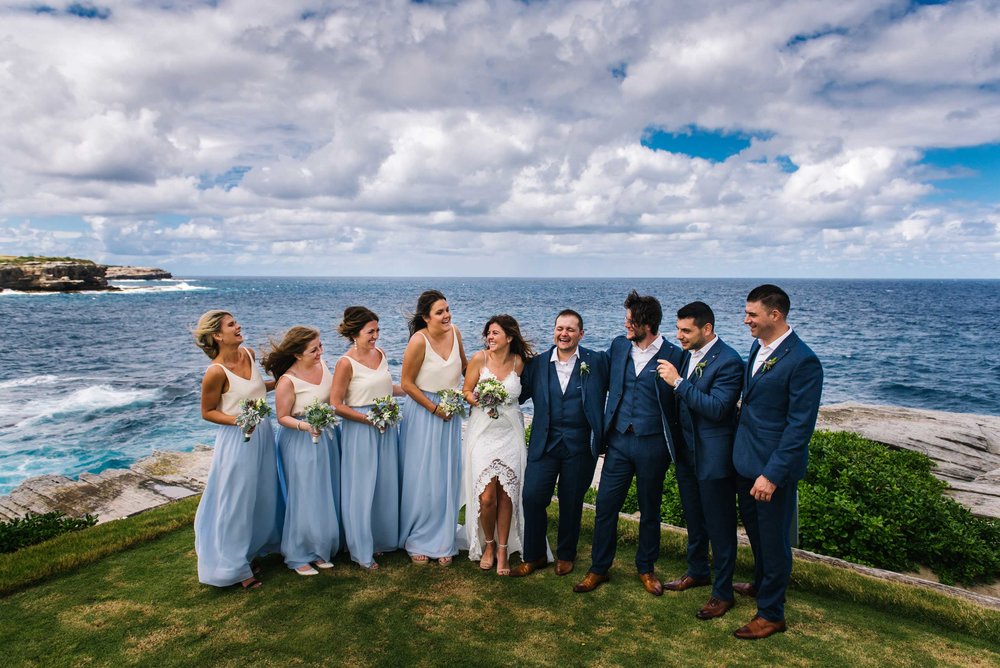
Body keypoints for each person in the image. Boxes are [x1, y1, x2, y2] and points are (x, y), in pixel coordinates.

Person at [574, 290, 685, 596]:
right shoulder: (620, 347)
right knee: (606, 506)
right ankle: (598, 568)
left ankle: (646, 568)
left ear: (646, 324)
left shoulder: (675, 356)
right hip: (620, 441)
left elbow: (682, 401)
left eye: (629, 322)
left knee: (650, 510)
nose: (625, 326)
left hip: (653, 445)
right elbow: (599, 371)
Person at [731, 284, 823, 640]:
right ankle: (759, 583)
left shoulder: (803, 361)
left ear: (775, 315)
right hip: (745, 462)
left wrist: (771, 474)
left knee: (773, 540)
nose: (746, 320)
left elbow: (799, 427)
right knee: (755, 534)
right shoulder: (759, 347)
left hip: (771, 470)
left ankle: (772, 613)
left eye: (752, 314)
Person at [656, 301, 744, 620]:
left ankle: (722, 593)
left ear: (706, 329)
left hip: (714, 457)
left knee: (719, 527)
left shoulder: (730, 361)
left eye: (686, 331)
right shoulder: (686, 354)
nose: (679, 336)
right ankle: (697, 571)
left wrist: (679, 383)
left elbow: (718, 409)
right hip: (686, 455)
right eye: (678, 329)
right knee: (694, 519)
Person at [511, 309, 610, 578]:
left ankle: (566, 554)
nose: (563, 334)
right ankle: (535, 555)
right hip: (545, 444)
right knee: (532, 498)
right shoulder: (538, 364)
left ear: (581, 334)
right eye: (559, 328)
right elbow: (516, 396)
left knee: (571, 501)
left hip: (580, 446)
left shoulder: (597, 362)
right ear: (553, 331)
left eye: (570, 329)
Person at [192, 310, 281, 590]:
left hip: (263, 434)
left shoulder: (249, 354)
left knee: (263, 494)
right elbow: (207, 412)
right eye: (232, 324)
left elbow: (255, 389)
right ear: (217, 335)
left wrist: (285, 380)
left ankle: (252, 550)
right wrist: (240, 421)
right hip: (238, 439)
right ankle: (234, 567)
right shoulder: (215, 372)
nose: (239, 326)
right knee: (236, 501)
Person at [263, 326, 341, 576]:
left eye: (320, 346)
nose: (320, 352)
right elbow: (282, 417)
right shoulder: (287, 380)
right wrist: (306, 426)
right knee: (304, 494)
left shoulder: (324, 365)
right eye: (313, 349)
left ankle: (319, 549)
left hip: (327, 436)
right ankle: (299, 554)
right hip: (299, 439)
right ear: (297, 354)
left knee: (324, 491)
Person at [398, 290, 468, 565]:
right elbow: (406, 383)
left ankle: (443, 537)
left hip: (450, 412)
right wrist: (434, 408)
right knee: (422, 475)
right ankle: (418, 538)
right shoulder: (419, 341)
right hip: (424, 412)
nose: (447, 315)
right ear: (426, 317)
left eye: (447, 309)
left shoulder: (456, 333)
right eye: (440, 312)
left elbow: (465, 367)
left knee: (446, 474)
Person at [460, 315, 534, 576]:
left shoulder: (519, 362)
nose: (490, 338)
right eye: (488, 334)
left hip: (511, 433)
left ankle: (502, 549)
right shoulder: (479, 359)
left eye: (495, 333)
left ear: (509, 337)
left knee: (507, 493)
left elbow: (524, 394)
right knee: (487, 496)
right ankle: (488, 544)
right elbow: (466, 390)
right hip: (483, 432)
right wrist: (481, 400)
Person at [330, 306, 402, 570]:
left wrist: (416, 390)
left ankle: (379, 539)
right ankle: (361, 550)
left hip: (386, 427)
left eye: (377, 330)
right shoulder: (345, 363)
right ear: (355, 333)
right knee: (360, 488)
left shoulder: (380, 354)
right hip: (360, 430)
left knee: (383, 484)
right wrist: (368, 419)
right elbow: (336, 404)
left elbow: (385, 387)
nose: (376, 336)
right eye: (370, 331)